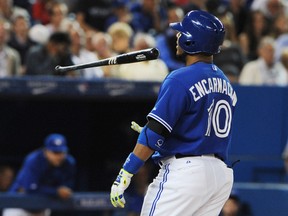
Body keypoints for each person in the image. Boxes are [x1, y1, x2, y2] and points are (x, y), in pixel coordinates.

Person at [110, 10, 237, 216]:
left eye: (182, 32)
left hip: (186, 174)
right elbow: (198, 126)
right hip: (220, 176)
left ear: (192, 41)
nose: (178, 36)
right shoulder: (224, 80)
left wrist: (126, 171)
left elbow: (153, 133)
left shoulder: (179, 78)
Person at [2, 133, 76, 216]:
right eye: (55, 152)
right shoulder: (34, 160)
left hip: (41, 209)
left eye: (61, 152)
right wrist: (56, 191)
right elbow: (30, 188)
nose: (59, 156)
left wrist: (61, 191)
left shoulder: (68, 163)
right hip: (18, 207)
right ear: (46, 151)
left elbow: (68, 186)